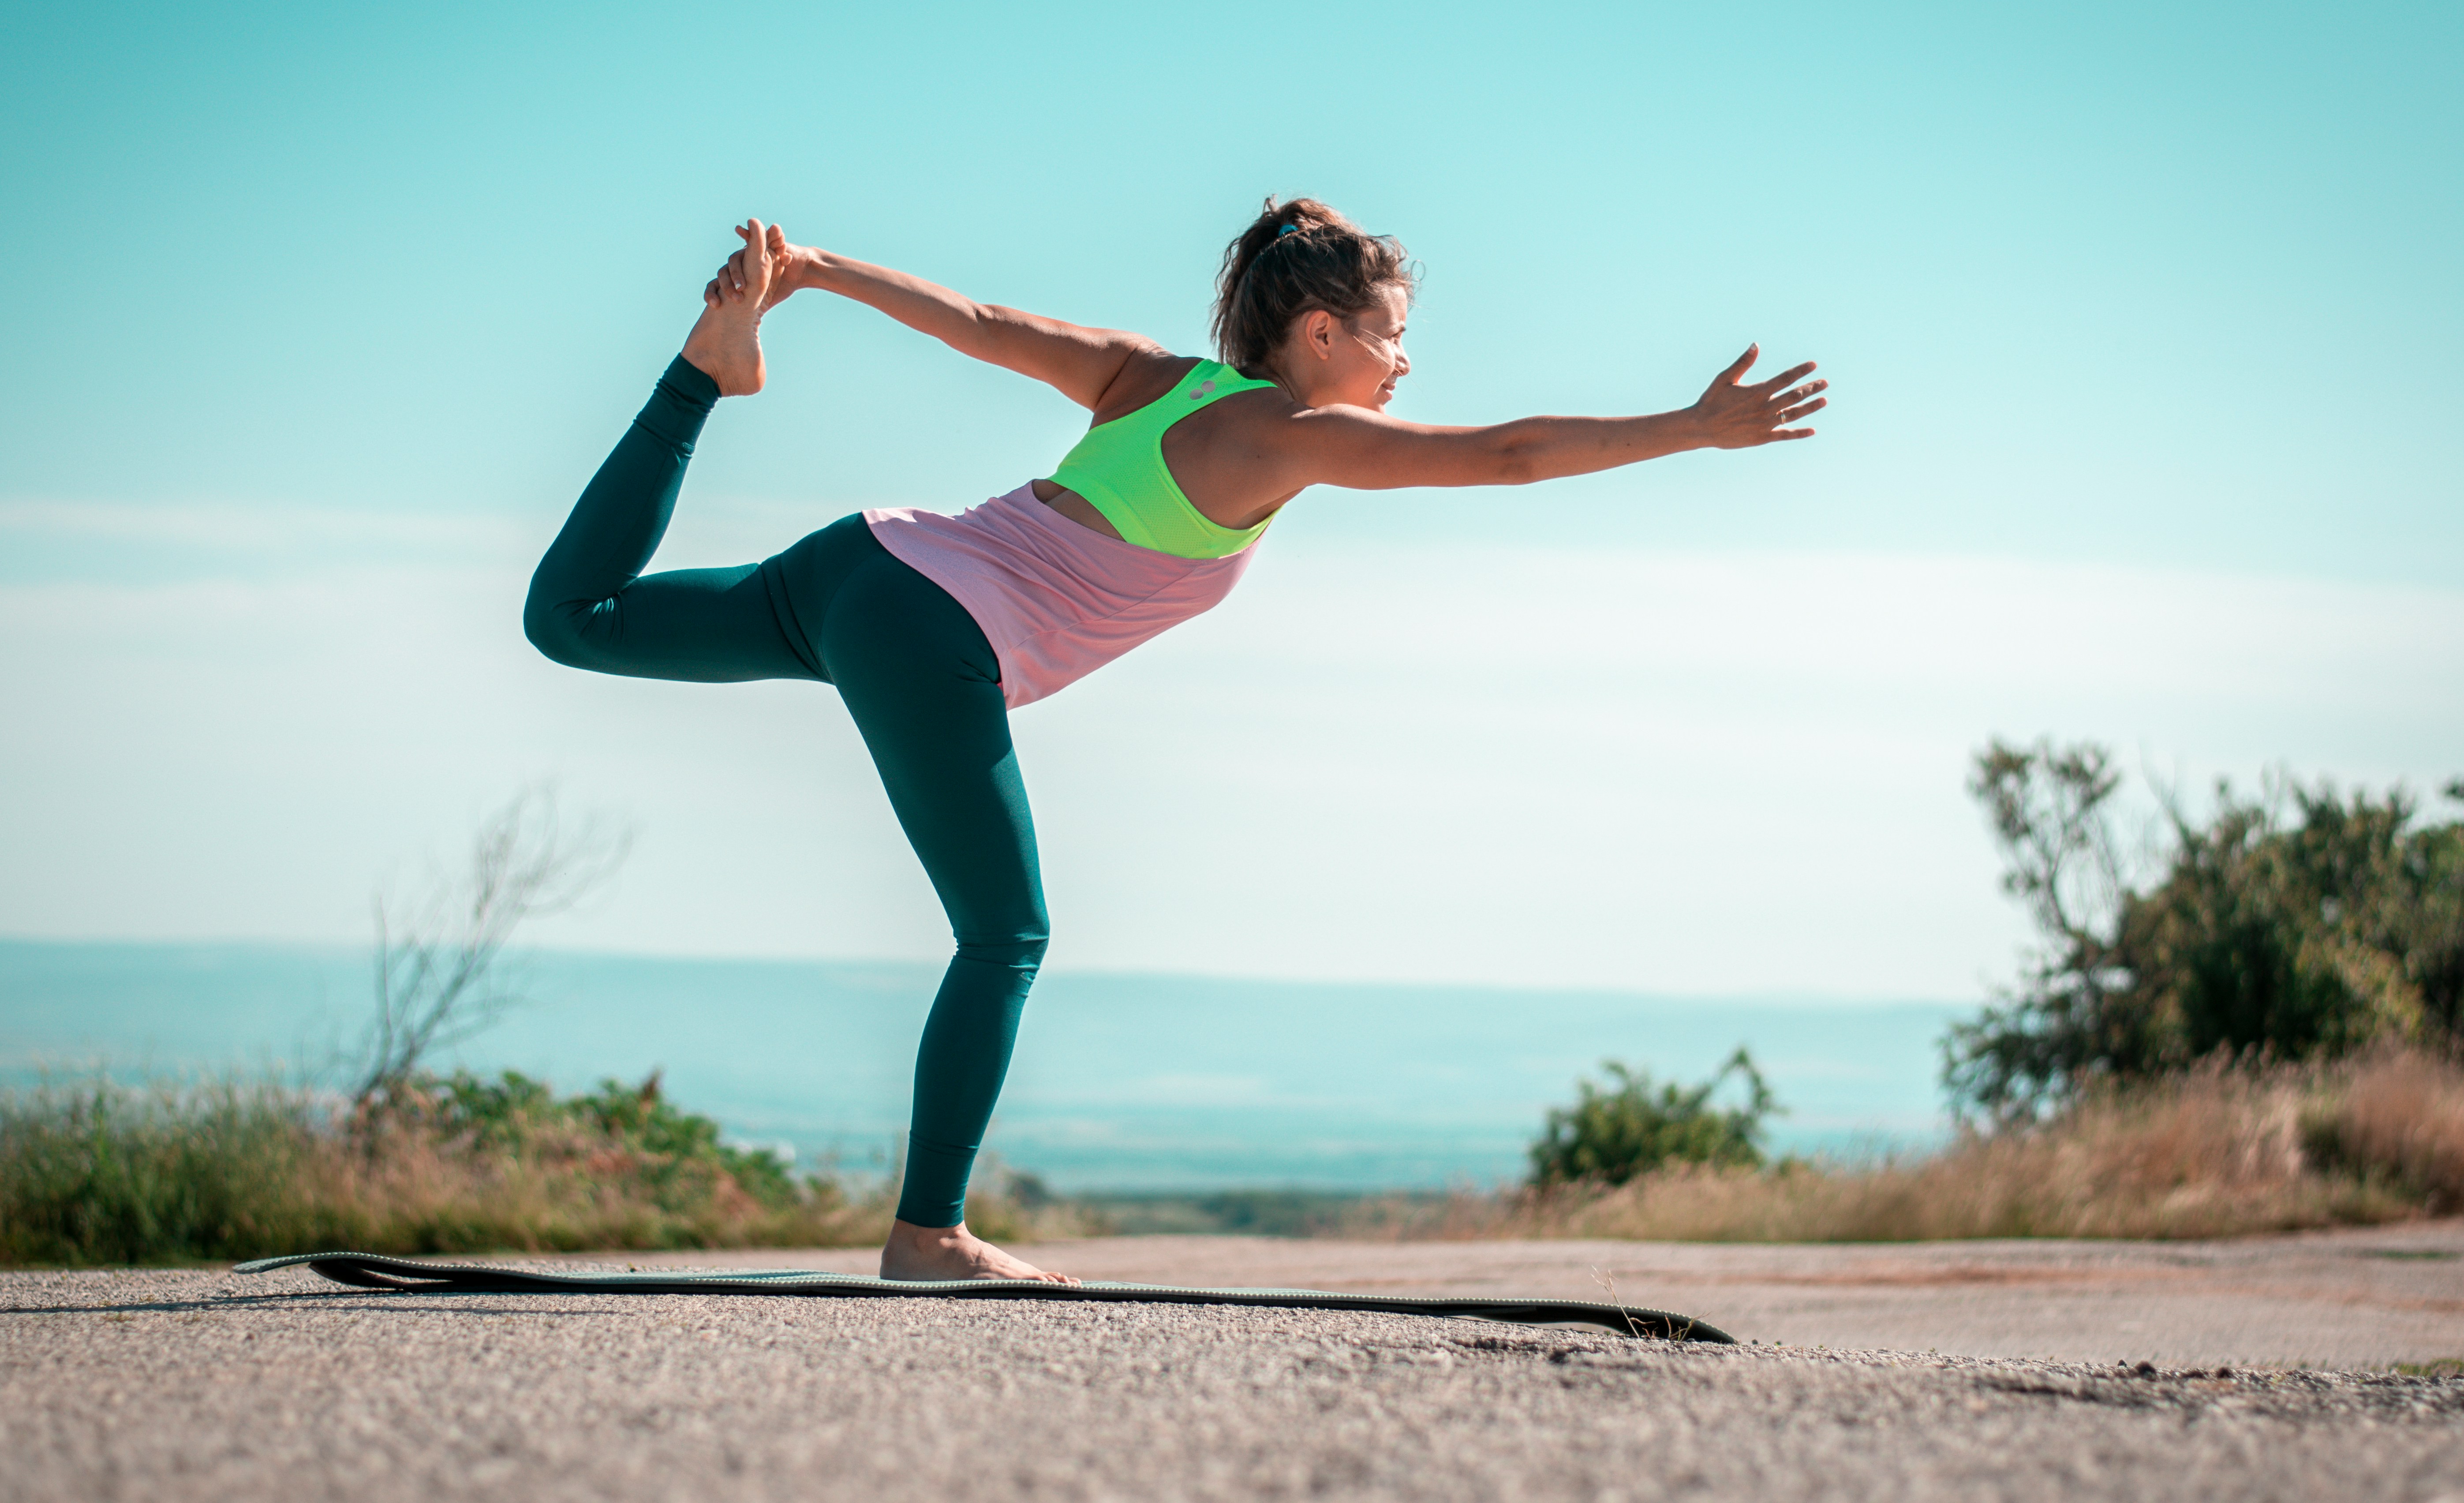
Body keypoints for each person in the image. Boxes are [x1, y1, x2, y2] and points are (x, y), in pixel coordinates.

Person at [524, 198, 1827, 1283]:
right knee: (1008, 933)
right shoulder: (1289, 434)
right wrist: (1689, 429)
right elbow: (1505, 456)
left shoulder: (1150, 378)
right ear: (1321, 332)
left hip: (863, 563)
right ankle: (928, 1233)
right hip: (933, 629)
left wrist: (816, 269)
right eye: (1394, 336)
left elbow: (973, 323)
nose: (1405, 362)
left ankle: (702, 375)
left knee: (572, 619)